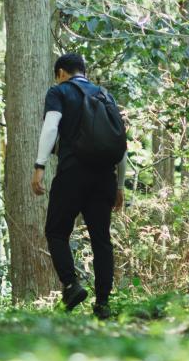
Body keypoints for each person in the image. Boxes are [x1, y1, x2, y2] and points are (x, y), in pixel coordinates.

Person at [31, 52, 125, 318]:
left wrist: (39, 166)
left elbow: (51, 127)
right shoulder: (104, 96)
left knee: (57, 231)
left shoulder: (59, 92)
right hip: (104, 176)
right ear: (84, 70)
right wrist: (120, 185)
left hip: (73, 173)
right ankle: (103, 304)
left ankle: (71, 285)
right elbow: (121, 144)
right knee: (101, 240)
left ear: (61, 72)